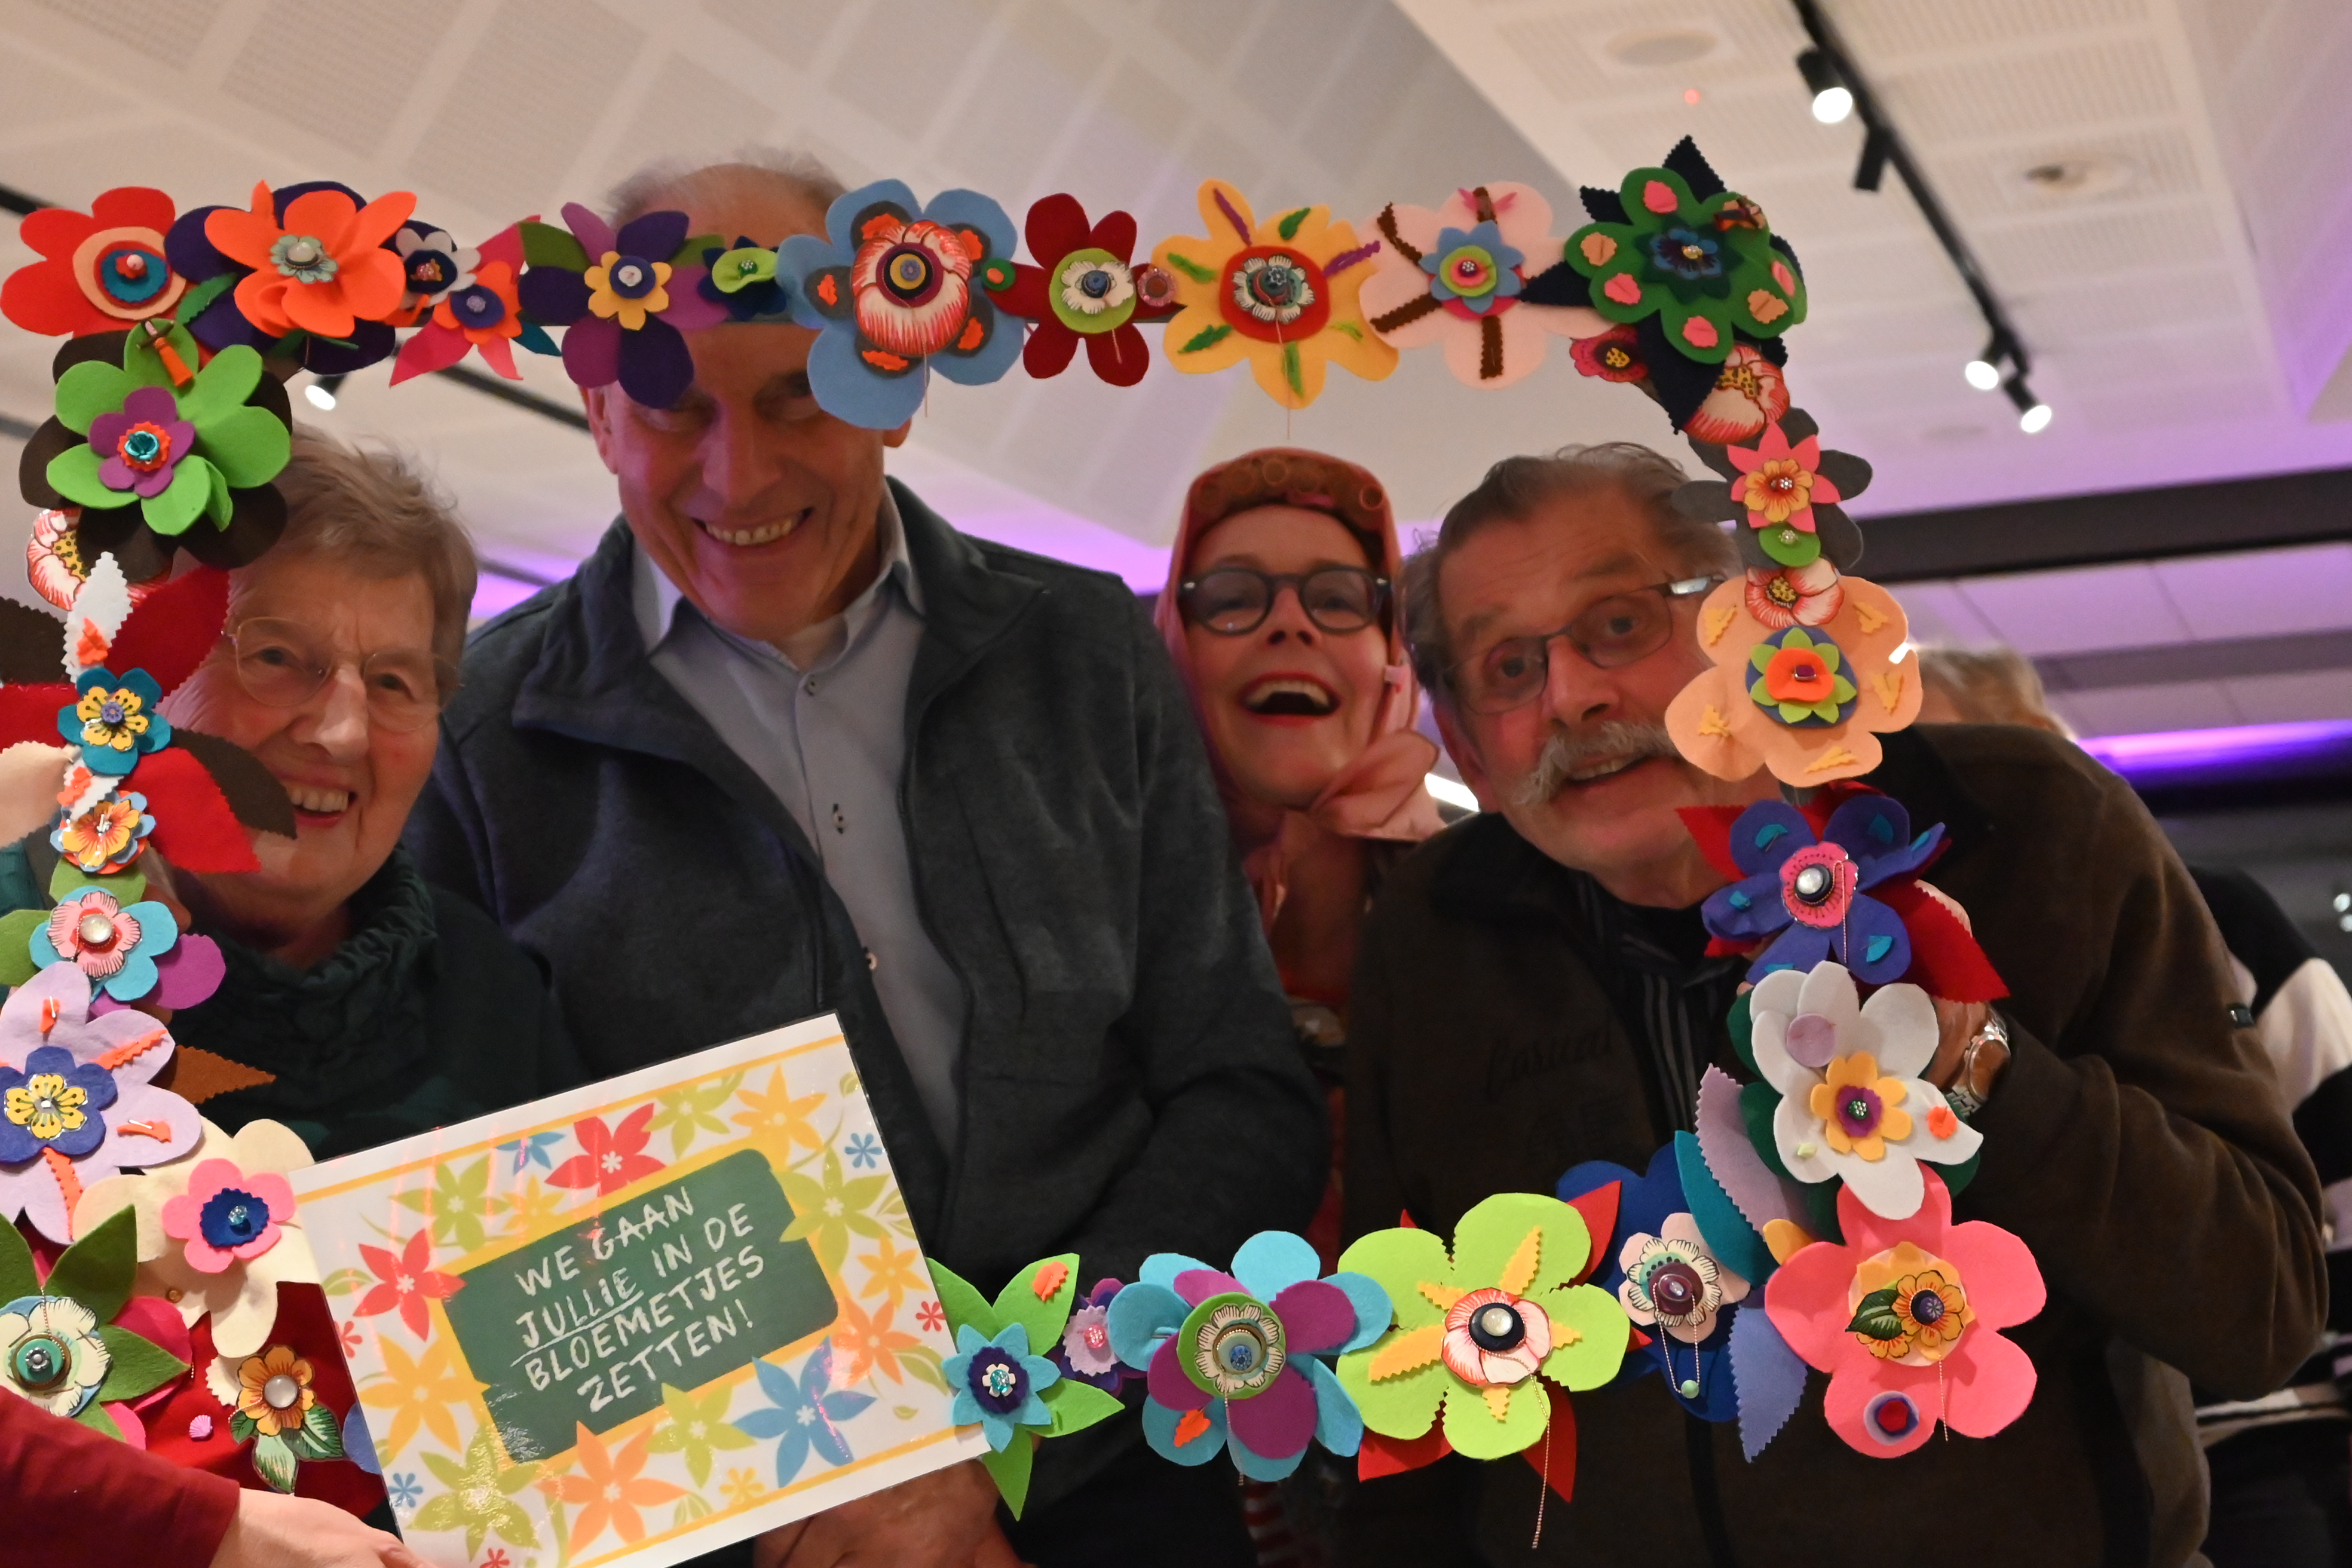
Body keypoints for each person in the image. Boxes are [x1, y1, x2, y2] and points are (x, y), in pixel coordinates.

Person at [405, 153, 1324, 1568]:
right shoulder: (475, 737)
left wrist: (1016, 1424)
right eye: (675, 407)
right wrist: (817, 1489)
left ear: (896, 386)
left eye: (798, 397)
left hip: (1123, 1491)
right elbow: (476, 1235)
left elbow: (1239, 1088)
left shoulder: (1085, 653)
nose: (740, 472)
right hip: (762, 1535)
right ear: (598, 413)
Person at [1339, 443, 2326, 1564]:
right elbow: (1404, 1380)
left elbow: (2262, 1309)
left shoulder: (2027, 827)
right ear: (1467, 744)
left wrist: (1985, 1074)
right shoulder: (1438, 936)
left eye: (1619, 623)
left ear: (1753, 625)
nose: (1571, 696)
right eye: (1508, 667)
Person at [0, 430, 574, 1566]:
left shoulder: (495, 1001)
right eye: (277, 658)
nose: (343, 730)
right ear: (145, 676)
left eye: (396, 682)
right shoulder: (15, 943)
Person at [1919, 642, 2352, 1568]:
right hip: (2051, 1455)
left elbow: (2340, 1135)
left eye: (1936, 755)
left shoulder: (2216, 913)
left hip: (2269, 1432)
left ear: (2037, 747)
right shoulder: (1860, 957)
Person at [1155, 449, 1445, 1563]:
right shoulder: (1096, 938)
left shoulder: (1487, 913)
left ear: (1389, 651)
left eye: (1336, 597)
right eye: (1232, 599)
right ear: (1174, 651)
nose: (1288, 624)